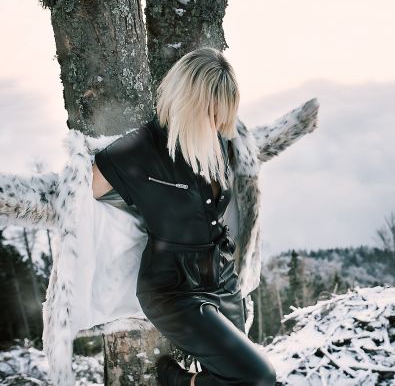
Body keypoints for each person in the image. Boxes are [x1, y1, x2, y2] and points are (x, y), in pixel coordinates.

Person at [91, 47, 277, 385]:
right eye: (213, 114)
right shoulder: (139, 149)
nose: (219, 126)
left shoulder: (218, 141)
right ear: (189, 104)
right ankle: (177, 381)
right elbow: (85, 192)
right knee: (259, 378)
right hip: (173, 289)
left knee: (235, 376)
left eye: (224, 117)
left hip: (222, 278)